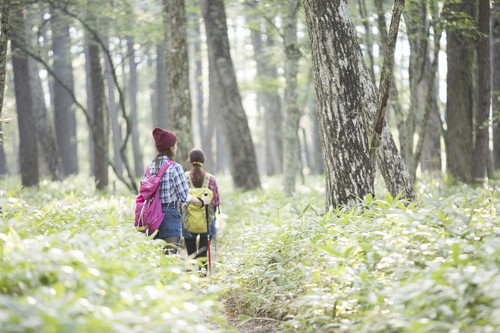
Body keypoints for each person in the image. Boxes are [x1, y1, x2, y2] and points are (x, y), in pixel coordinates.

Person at [146, 128, 210, 255]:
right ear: (171, 147)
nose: (176, 147)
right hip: (169, 215)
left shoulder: (149, 167)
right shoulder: (174, 167)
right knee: (170, 257)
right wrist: (201, 201)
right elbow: (183, 197)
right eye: (175, 144)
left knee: (157, 259)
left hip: (151, 216)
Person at [182, 148, 220, 272]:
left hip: (188, 221)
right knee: (204, 251)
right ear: (204, 161)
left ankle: (193, 277)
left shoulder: (185, 178)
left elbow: (180, 200)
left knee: (191, 252)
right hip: (206, 222)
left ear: (189, 161)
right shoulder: (211, 179)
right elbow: (215, 202)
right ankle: (203, 275)